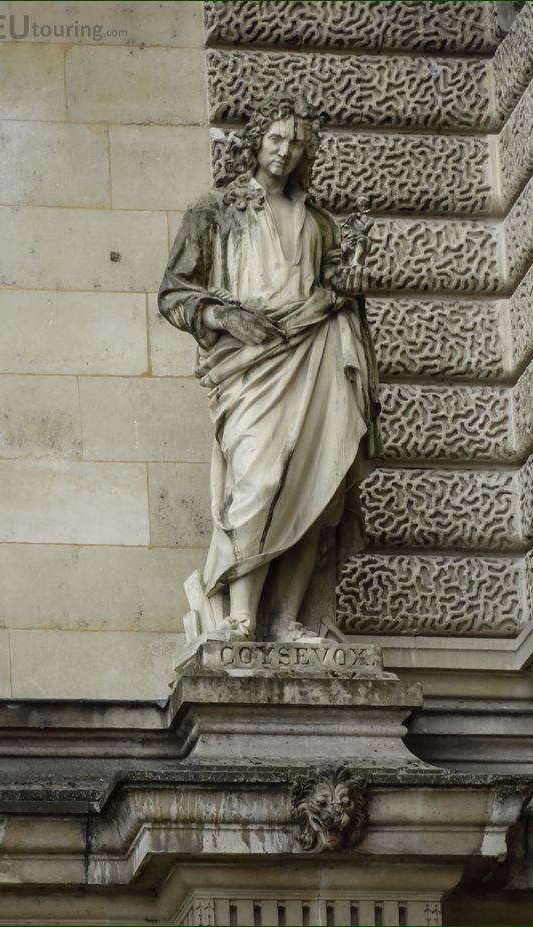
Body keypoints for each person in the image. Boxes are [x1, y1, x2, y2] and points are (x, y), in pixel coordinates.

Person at [158, 93, 381, 642]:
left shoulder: (320, 223)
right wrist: (224, 316)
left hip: (318, 354)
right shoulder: (215, 210)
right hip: (250, 366)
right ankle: (239, 615)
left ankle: (283, 620)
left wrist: (349, 289)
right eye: (275, 139)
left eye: (296, 142)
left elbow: (338, 295)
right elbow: (174, 294)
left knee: (318, 483)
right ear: (255, 142)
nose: (284, 152)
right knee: (257, 482)